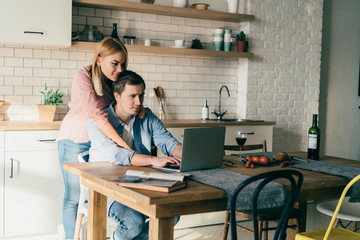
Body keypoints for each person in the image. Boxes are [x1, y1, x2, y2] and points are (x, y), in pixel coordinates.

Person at [86, 70, 182, 240]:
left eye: (141, 95)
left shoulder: (147, 116)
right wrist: (154, 160)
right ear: (117, 96)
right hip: (106, 187)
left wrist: (188, 153)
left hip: (140, 182)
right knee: (133, 222)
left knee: (171, 213)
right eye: (132, 96)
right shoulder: (99, 122)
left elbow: (168, 142)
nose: (138, 102)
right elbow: (118, 155)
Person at [57, 37, 137, 240]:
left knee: (99, 195)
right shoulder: (82, 76)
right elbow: (97, 115)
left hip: (99, 143)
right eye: (115, 63)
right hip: (74, 140)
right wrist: (124, 147)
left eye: (122, 64)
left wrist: (139, 108)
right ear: (99, 59)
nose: (119, 69)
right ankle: (70, 237)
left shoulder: (113, 82)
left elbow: (123, 103)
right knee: (74, 197)